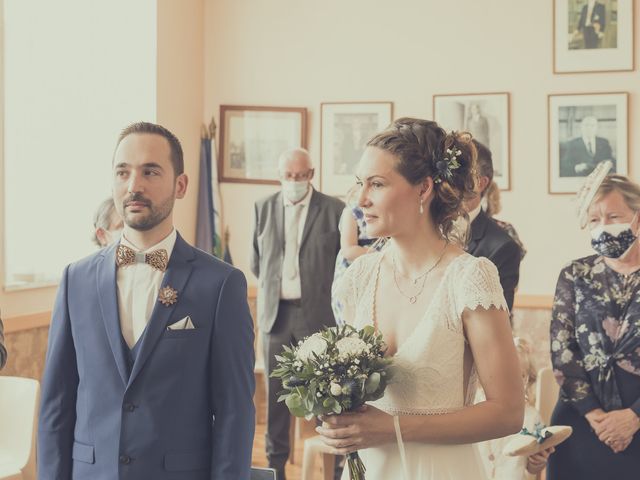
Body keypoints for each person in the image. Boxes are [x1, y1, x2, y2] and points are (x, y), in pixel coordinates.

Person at [38, 122, 255, 480]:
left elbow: (234, 413)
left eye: (150, 172)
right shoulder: (74, 280)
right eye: (123, 172)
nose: (134, 186)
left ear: (180, 185)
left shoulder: (221, 285)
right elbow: (56, 405)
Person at [318, 118, 524, 480]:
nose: (360, 200)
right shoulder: (358, 279)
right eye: (359, 184)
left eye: (377, 184)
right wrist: (334, 410)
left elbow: (508, 412)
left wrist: (394, 427)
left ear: (423, 188)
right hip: (371, 469)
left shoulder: (469, 278)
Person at [251, 148, 344, 480]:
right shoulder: (263, 207)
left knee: (325, 394)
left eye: (299, 175)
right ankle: (275, 468)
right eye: (287, 176)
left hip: (316, 316)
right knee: (277, 398)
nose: (293, 181)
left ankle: (332, 469)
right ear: (280, 176)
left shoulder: (334, 210)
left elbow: (342, 263)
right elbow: (256, 262)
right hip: (276, 316)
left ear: (311, 174)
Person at [547, 173, 640, 479]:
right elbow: (563, 350)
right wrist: (595, 415)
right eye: (594, 219)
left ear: (637, 218)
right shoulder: (574, 274)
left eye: (614, 216)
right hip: (581, 422)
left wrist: (634, 417)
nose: (603, 226)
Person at [477, 337, 555, 479]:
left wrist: (537, 461)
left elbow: (533, 468)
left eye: (520, 376)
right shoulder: (475, 407)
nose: (511, 383)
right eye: (504, 374)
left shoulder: (532, 417)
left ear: (527, 380)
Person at [463, 140, 523, 311]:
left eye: (459, 172)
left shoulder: (502, 247)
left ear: (480, 183)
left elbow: (499, 320)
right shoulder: (423, 230)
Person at [331, 185, 384, 326]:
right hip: (355, 266)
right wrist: (379, 255)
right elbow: (348, 250)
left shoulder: (385, 212)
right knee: (352, 315)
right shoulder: (352, 212)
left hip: (380, 270)